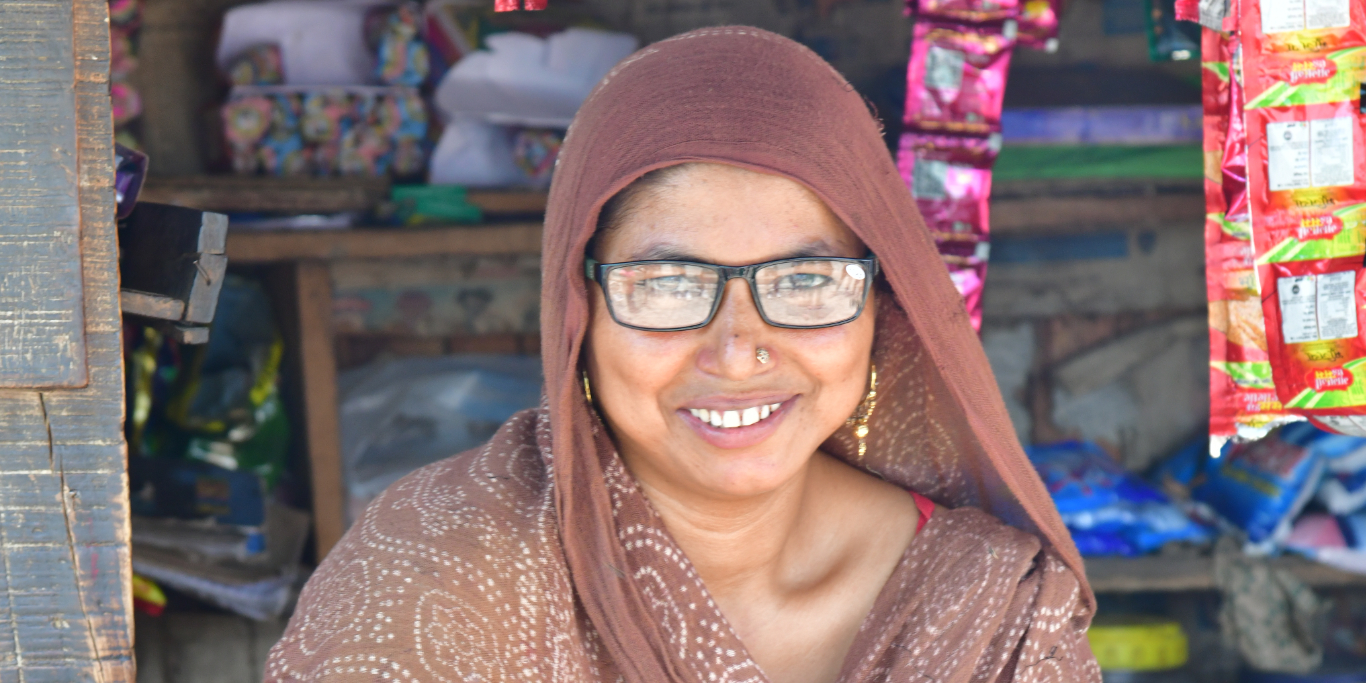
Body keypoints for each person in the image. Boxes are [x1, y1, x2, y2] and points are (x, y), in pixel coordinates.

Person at [266, 27, 1100, 683]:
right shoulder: (432, 583)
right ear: (579, 311)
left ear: (883, 306)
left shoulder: (986, 611)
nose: (738, 350)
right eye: (667, 284)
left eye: (805, 279)